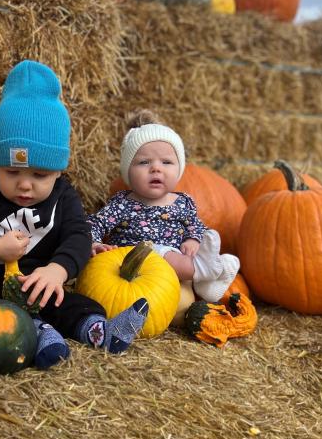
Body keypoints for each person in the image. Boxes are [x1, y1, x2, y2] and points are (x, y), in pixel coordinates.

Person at [0, 60, 149, 369]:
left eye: (40, 175)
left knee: (71, 302)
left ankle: (98, 330)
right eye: (12, 171)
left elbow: (79, 237)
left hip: (41, 283)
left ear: (57, 172)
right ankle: (38, 333)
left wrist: (57, 270)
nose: (24, 185)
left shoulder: (63, 196)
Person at [88, 110, 239, 303]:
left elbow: (196, 226)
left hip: (173, 274)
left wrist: (193, 239)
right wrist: (95, 243)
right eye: (144, 162)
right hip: (135, 268)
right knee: (157, 251)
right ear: (128, 172)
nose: (156, 168)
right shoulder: (122, 204)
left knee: (181, 263)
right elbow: (95, 223)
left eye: (166, 162)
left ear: (179, 170)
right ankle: (202, 271)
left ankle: (203, 280)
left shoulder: (183, 202)